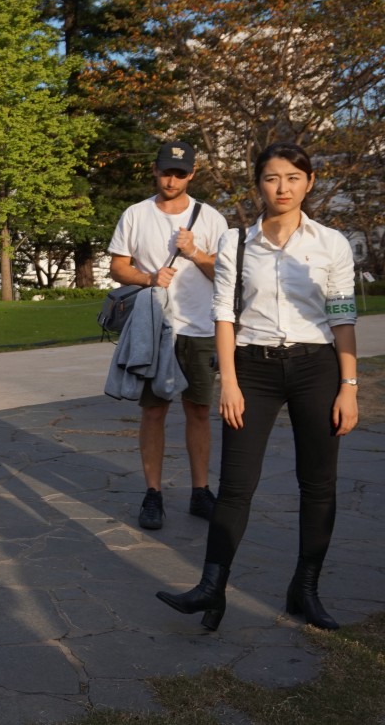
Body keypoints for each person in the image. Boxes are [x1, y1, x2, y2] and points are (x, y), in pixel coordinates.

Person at [156, 142, 358, 631]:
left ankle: (304, 590)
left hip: (317, 367)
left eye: (293, 177)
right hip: (254, 368)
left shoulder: (331, 244)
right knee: (236, 487)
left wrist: (349, 385)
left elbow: (342, 318)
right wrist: (230, 382)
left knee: (318, 485)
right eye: (272, 178)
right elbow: (223, 314)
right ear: (258, 185)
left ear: (309, 182)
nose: (282, 187)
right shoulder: (235, 242)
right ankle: (212, 588)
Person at [107, 140, 228, 529]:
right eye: (165, 171)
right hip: (154, 327)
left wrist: (195, 253)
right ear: (155, 171)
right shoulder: (135, 214)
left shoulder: (210, 218)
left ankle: (200, 491)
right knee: (154, 411)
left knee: (199, 410)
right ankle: (153, 494)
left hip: (200, 326)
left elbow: (226, 274)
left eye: (180, 173)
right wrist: (148, 277)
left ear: (192, 174)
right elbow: (118, 268)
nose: (171, 179)